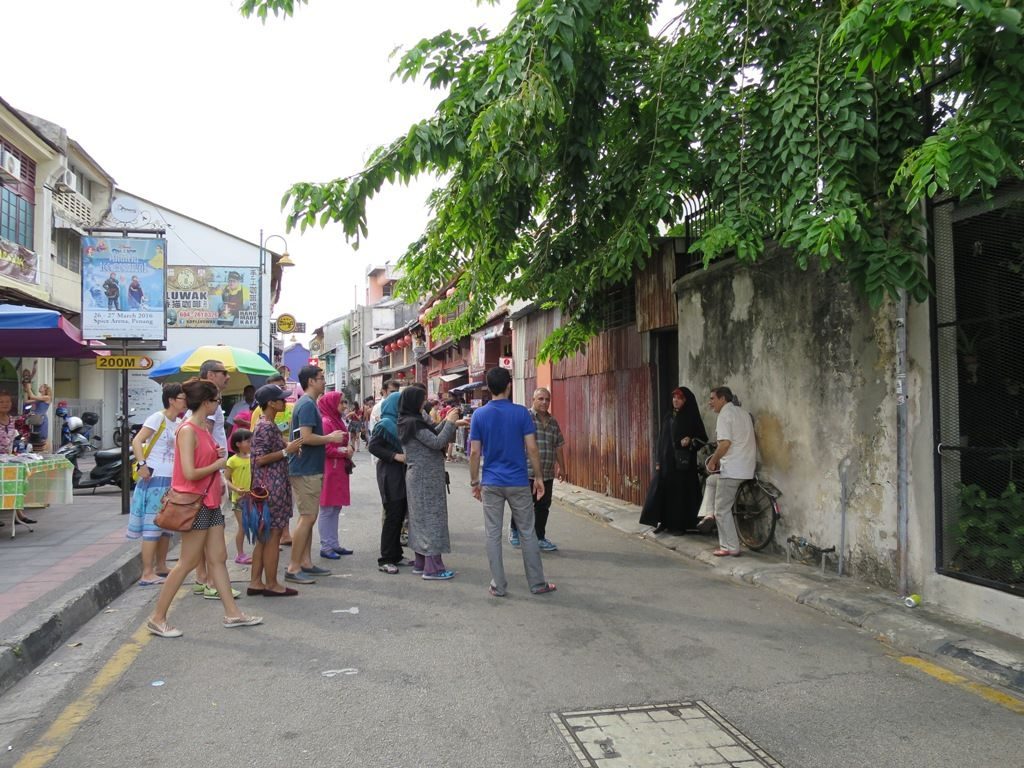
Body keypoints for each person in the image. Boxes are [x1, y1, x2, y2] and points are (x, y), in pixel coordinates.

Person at [146, 378, 262, 637]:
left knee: (218, 559)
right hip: (195, 503)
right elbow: (189, 471)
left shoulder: (201, 429)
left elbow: (202, 460)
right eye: (217, 400)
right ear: (207, 402)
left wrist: (215, 456)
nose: (218, 405)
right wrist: (217, 464)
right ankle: (158, 617)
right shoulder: (187, 430)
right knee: (187, 563)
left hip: (208, 502)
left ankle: (232, 613)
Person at [469, 367, 556, 596]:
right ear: (509, 386)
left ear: (488, 388)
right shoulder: (521, 414)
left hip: (491, 482)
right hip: (518, 481)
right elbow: (532, 448)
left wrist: (474, 482)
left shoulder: (479, 415)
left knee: (492, 533)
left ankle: (498, 585)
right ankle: (537, 584)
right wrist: (538, 477)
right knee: (528, 531)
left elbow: (475, 453)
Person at [285, 365, 347, 584]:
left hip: (309, 467)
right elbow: (306, 437)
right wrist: (330, 438)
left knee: (309, 517)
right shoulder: (308, 405)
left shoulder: (308, 404)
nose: (323, 381)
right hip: (305, 468)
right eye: (321, 378)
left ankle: (305, 562)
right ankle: (293, 567)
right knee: (307, 517)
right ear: (311, 381)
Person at [398, 386, 460, 580]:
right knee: (432, 519)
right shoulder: (413, 423)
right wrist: (449, 423)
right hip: (426, 478)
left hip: (420, 476)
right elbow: (437, 442)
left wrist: (452, 422)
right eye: (421, 399)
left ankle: (421, 562)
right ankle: (433, 568)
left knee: (419, 520)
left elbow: (432, 435)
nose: (424, 403)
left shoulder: (410, 421)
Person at [248, 384, 304, 597]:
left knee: (265, 536)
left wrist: (288, 447)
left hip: (268, 486)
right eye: (281, 399)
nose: (284, 402)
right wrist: (285, 450)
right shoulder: (266, 426)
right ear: (271, 403)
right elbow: (260, 459)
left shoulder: (267, 424)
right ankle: (271, 583)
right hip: (272, 486)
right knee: (273, 535)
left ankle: (256, 581)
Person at [128, 382, 187, 585]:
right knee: (152, 526)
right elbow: (137, 441)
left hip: (170, 479)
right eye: (182, 398)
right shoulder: (158, 417)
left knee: (166, 525)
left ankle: (161, 566)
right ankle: (147, 572)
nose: (185, 401)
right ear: (171, 400)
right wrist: (142, 464)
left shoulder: (177, 422)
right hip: (154, 478)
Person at [639, 386, 708, 534]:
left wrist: (690, 441)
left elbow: (702, 438)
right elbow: (661, 439)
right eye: (674, 397)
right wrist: (658, 461)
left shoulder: (691, 417)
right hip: (666, 462)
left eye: (680, 398)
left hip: (682, 465)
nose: (675, 400)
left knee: (679, 494)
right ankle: (663, 523)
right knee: (663, 492)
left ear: (686, 401)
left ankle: (678, 525)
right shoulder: (668, 416)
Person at [697, 386, 756, 557]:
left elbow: (725, 444)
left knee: (722, 509)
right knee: (710, 482)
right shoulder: (743, 413)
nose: (710, 403)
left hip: (732, 469)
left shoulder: (725, 415)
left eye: (712, 399)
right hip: (747, 467)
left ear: (723, 399)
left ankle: (730, 546)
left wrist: (713, 462)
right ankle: (708, 514)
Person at [508, 387, 567, 551]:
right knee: (524, 504)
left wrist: (562, 467)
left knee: (543, 506)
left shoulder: (553, 422)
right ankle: (514, 531)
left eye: (547, 399)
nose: (544, 402)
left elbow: (558, 447)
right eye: (541, 399)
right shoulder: (525, 417)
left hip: (547, 473)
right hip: (526, 471)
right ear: (533, 399)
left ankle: (540, 537)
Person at [368, 391, 409, 574]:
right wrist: (395, 456)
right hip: (389, 473)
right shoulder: (385, 424)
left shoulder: (399, 422)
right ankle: (385, 558)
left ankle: (396, 554)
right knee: (392, 515)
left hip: (400, 473)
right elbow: (373, 446)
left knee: (399, 513)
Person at [317, 391, 355, 560]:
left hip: (338, 469)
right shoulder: (326, 422)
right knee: (327, 508)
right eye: (341, 403)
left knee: (335, 507)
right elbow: (325, 448)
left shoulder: (336, 420)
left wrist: (346, 450)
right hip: (331, 470)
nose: (344, 406)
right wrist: (343, 451)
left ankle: (333, 543)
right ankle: (326, 545)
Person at [225, 429, 254, 565]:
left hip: (254, 497)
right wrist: (236, 489)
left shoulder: (254, 457)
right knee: (242, 527)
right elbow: (226, 479)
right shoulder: (232, 461)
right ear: (238, 444)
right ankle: (240, 554)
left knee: (256, 524)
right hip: (239, 499)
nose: (251, 443)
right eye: (248, 441)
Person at [22, 381, 52, 452]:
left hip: (41, 419)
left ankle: (45, 452)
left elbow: (32, 396)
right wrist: (27, 391)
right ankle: (37, 452)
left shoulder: (47, 397)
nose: (40, 387)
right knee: (35, 437)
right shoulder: (40, 398)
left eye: (41, 386)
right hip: (36, 419)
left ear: (45, 389)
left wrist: (29, 388)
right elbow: (26, 401)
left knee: (41, 438)